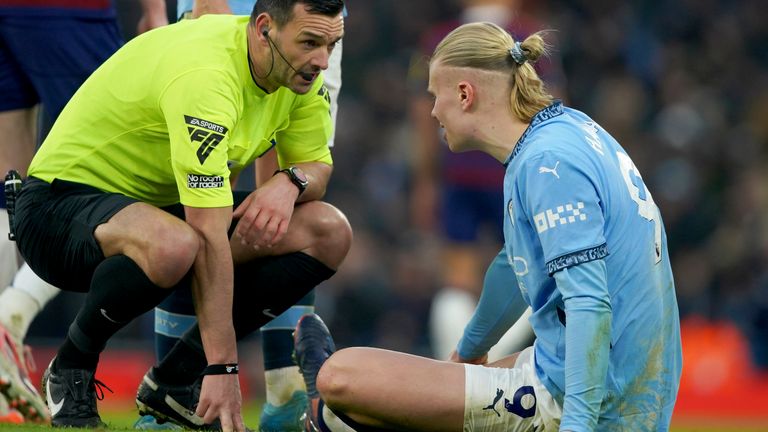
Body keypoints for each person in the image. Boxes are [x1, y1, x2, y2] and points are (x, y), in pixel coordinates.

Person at [294, 22, 682, 432]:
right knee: (419, 394)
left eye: (434, 96)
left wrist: (579, 425)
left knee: (340, 376)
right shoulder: (566, 132)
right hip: (622, 377)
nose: (432, 112)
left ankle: (326, 417)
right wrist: (468, 352)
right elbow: (515, 269)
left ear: (464, 94)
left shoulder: (547, 165)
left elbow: (589, 303)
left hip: (596, 397)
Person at [12, 0, 349, 429]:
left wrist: (290, 182)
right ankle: (72, 366)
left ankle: (172, 383)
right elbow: (206, 234)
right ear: (264, 28)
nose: (321, 59)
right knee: (178, 244)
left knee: (327, 231)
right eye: (310, 42)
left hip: (159, 214)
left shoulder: (296, 74)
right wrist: (223, 368)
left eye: (331, 44)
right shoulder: (208, 78)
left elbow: (318, 165)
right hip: (56, 210)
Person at [131, 1, 346, 430]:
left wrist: (291, 182)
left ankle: (285, 393)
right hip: (231, 27)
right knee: (202, 205)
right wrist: (175, 13)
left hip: (309, 26)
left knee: (288, 208)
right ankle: (176, 396)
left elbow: (309, 173)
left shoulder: (320, 44)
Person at [0, 0, 168, 424]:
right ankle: (10, 317)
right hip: (68, 10)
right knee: (100, 171)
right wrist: (154, 9)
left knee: (9, 182)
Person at [408, 0, 564, 360]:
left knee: (457, 278)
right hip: (516, 172)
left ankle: (457, 370)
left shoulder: (438, 38)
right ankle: (481, 364)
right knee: (532, 275)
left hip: (458, 173)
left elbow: (421, 115)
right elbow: (552, 104)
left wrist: (426, 180)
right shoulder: (527, 38)